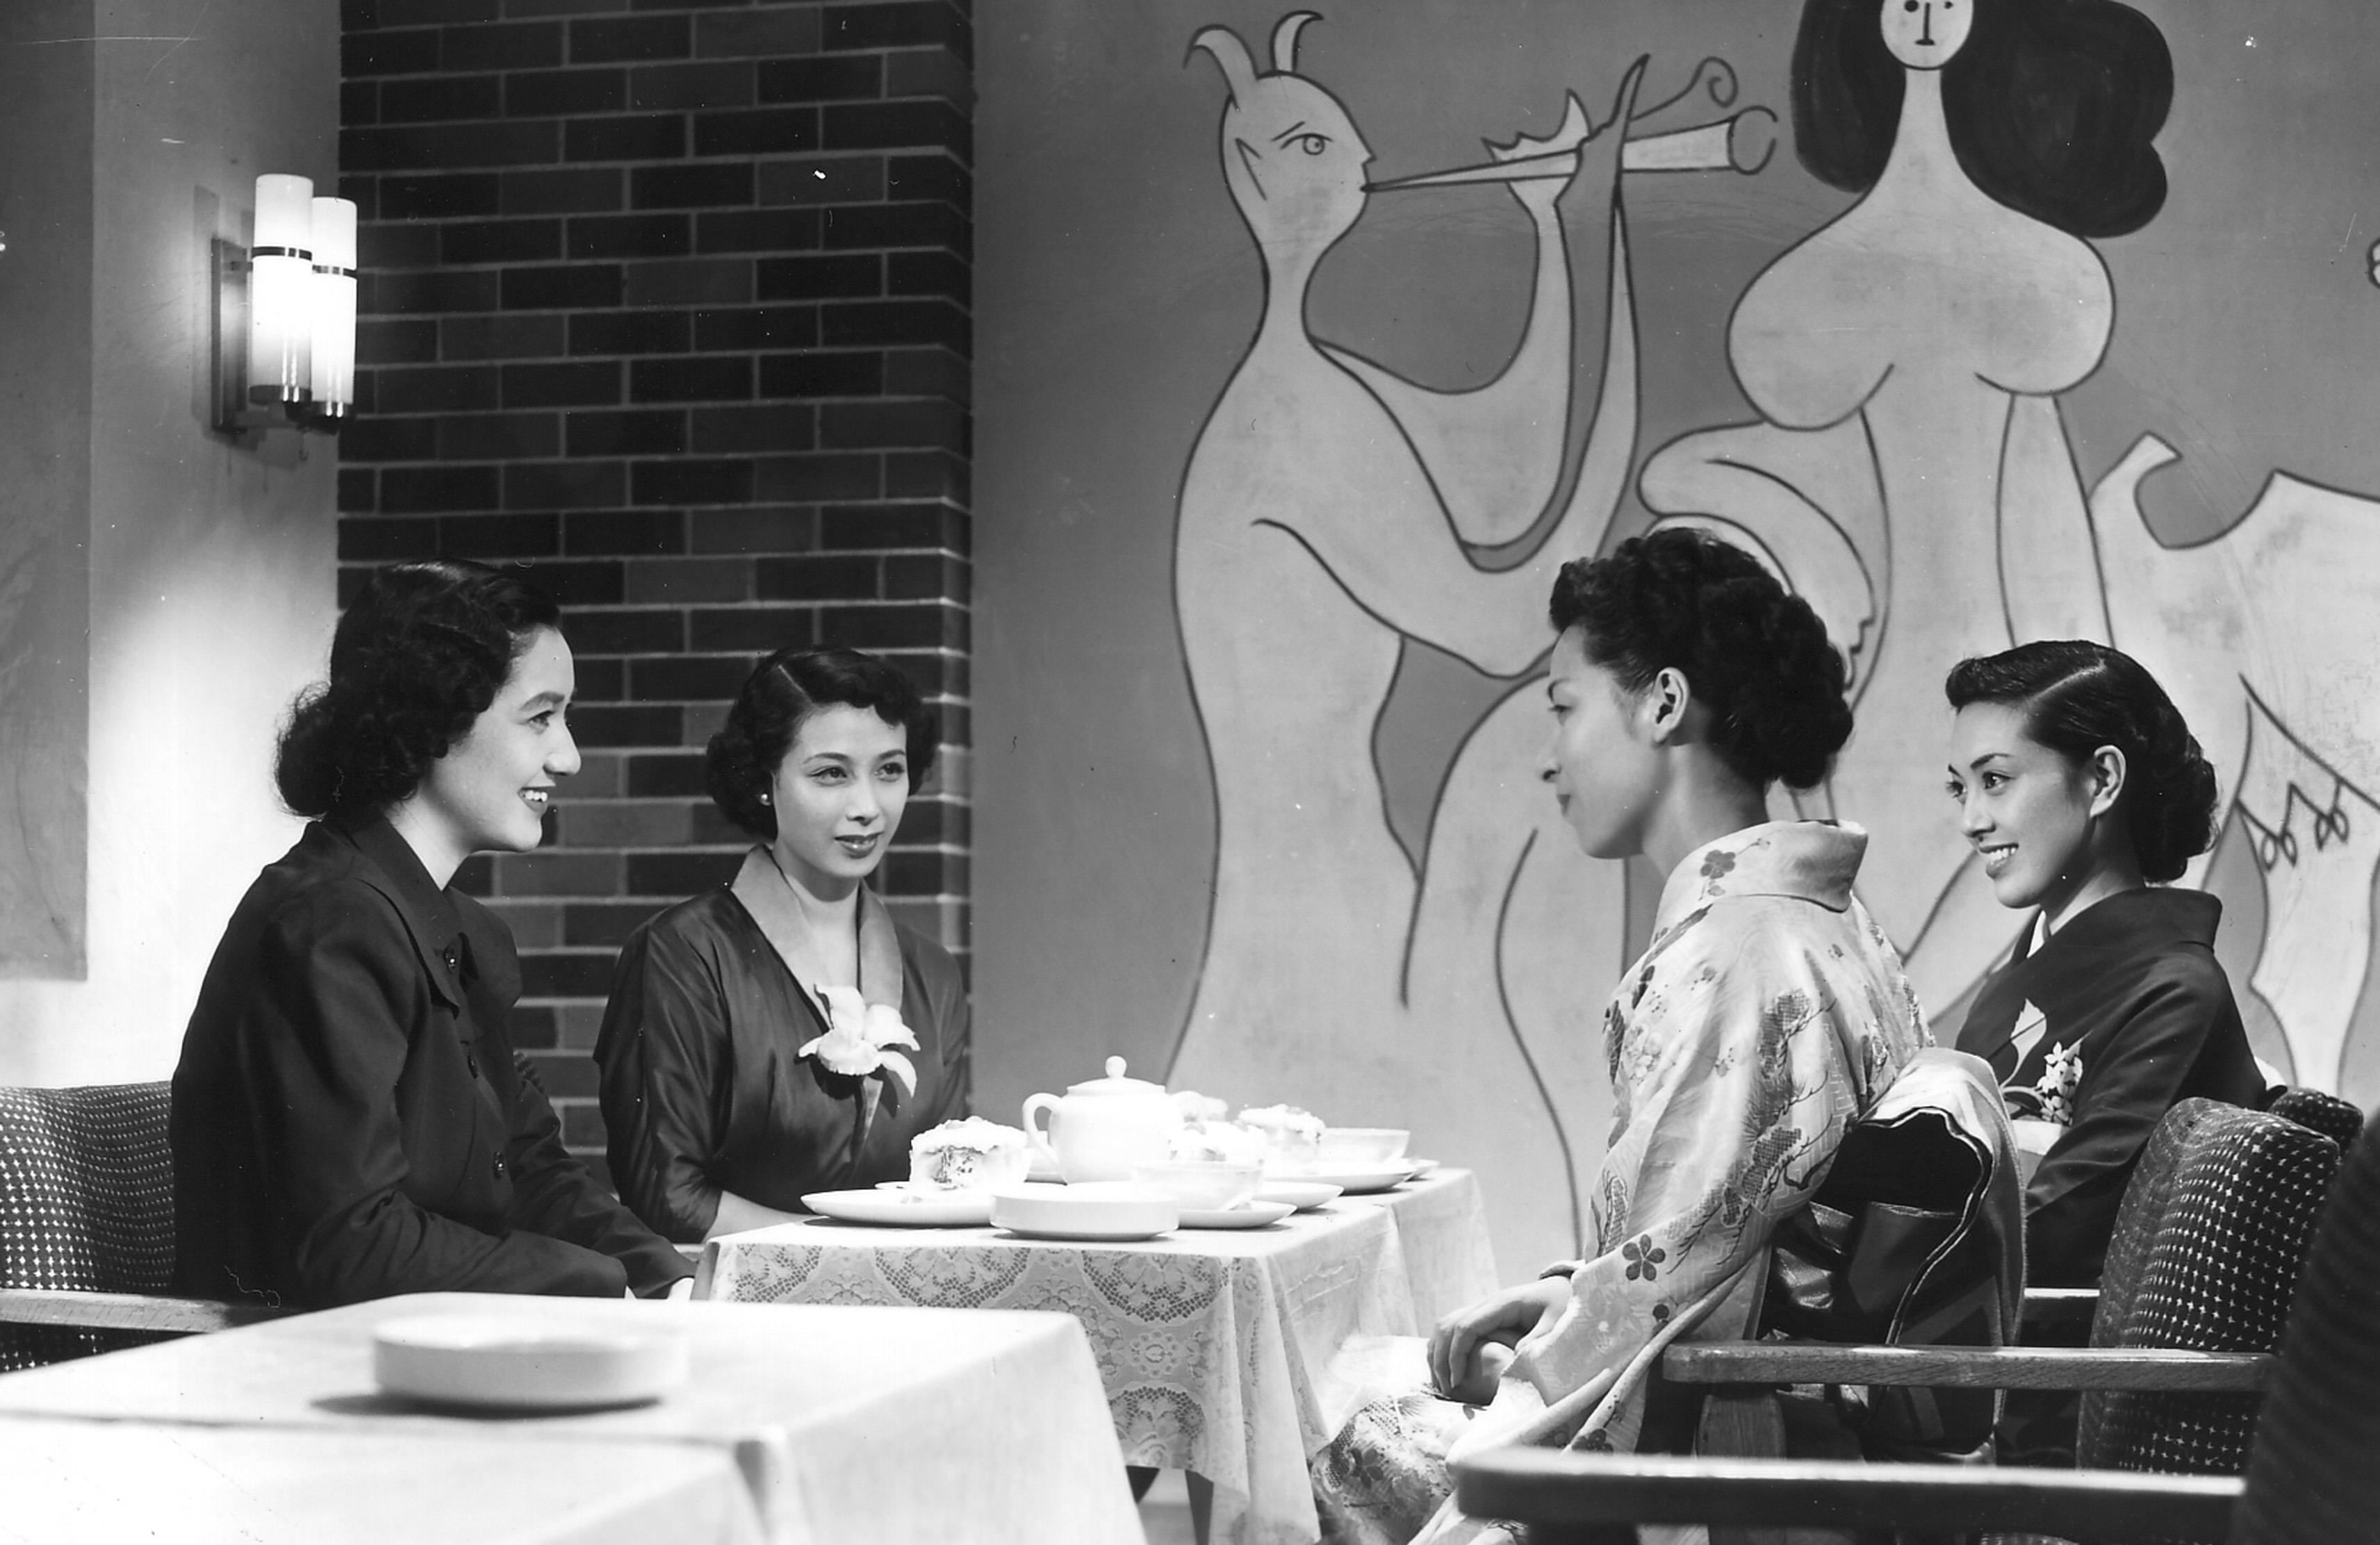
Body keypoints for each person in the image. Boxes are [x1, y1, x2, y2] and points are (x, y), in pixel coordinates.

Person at [1313, 529, 1930, 1544]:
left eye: (1564, 707)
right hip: (1748, 1392)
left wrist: (1535, 1361)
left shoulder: (1738, 953)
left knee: (1340, 1431)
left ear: (1662, 703)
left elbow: (1680, 1283)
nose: (1548, 755)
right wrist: (1567, 1296)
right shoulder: (1816, 923)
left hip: (1724, 1452)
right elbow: (1711, 1247)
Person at [1639, 0, 2174, 1009]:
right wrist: (1802, 542)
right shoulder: (1828, 268)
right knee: (1860, 1015)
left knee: (1910, 1022)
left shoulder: (2029, 266)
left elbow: (2043, 516)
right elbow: (1681, 472)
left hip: (1991, 692)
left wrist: (2069, 698)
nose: (1924, 8)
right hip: (1864, 707)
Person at [172, 561, 691, 1308]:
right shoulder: (328, 923)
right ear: (433, 718)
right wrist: (599, 1287)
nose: (568, 756)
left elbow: (531, 1170)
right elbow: (350, 1247)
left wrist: (669, 1279)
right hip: (297, 1360)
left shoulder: (461, 930)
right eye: (540, 717)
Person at [1944, 641, 2264, 1463]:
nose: (1970, 818)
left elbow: (2055, 1230)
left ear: (2102, 780)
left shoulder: (2174, 990)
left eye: (1995, 779)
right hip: (1989, 1371)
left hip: (2069, 1418)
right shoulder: (2013, 987)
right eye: (1959, 788)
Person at [595, 646, 970, 1243]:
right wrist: (846, 1257)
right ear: (763, 781)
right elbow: (665, 1194)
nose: (867, 808)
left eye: (888, 770)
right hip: (733, 1291)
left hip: (901, 1293)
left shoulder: (934, 973)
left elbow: (946, 1180)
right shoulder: (683, 953)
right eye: (830, 774)